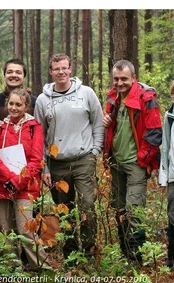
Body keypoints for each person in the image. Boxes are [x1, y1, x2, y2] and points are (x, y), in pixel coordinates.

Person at [34, 53, 104, 263]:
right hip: (57, 164)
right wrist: (44, 168)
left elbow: (98, 123)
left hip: (83, 159)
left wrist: (95, 152)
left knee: (87, 207)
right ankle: (70, 252)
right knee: (64, 211)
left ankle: (89, 251)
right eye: (57, 69)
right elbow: (40, 135)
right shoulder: (42, 100)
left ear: (70, 69)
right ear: (51, 72)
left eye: (65, 68)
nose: (61, 72)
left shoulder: (86, 93)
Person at [103, 59, 162, 264]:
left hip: (136, 163)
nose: (119, 83)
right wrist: (107, 123)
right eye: (116, 79)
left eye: (124, 79)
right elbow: (113, 129)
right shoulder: (113, 97)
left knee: (134, 210)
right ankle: (125, 251)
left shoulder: (147, 99)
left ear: (134, 78)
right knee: (119, 208)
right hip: (116, 162)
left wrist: (142, 160)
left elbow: (154, 135)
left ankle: (136, 259)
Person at [0, 88, 50, 270]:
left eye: (18, 104)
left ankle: (43, 269)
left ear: (26, 106)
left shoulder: (35, 128)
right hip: (2, 185)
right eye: (11, 104)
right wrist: (8, 178)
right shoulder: (0, 127)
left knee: (25, 231)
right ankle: (11, 271)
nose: (14, 108)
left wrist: (18, 181)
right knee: (6, 231)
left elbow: (36, 159)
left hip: (25, 187)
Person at [0, 58, 36, 123]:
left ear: (24, 77)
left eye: (18, 72)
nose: (13, 75)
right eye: (10, 72)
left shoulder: (34, 102)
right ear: (4, 76)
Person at [159, 80, 174, 270]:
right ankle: (171, 257)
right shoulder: (170, 116)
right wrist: (163, 177)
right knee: (173, 216)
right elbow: (165, 147)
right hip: (173, 175)